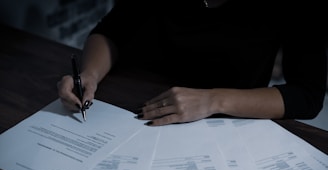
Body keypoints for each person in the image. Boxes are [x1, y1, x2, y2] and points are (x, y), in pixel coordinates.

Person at [57, 0, 327, 126]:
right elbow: (112, 31)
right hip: (132, 108)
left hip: (227, 123)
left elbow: (307, 96)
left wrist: (213, 100)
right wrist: (89, 74)